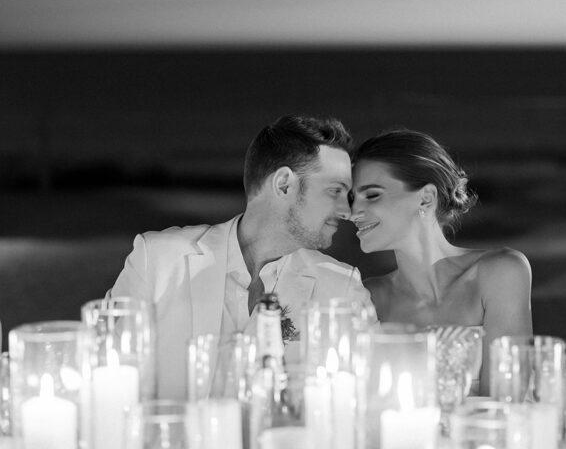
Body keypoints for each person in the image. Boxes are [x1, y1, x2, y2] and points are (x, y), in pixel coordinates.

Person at [109, 114, 372, 399]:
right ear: (284, 184)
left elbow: (367, 398)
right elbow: (106, 372)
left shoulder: (341, 289)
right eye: (335, 191)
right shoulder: (157, 261)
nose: (346, 210)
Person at [350, 128, 532, 395]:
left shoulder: (500, 273)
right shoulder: (368, 298)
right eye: (352, 199)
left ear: (426, 198)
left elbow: (508, 400)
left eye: (372, 195)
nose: (353, 212)